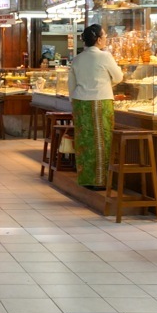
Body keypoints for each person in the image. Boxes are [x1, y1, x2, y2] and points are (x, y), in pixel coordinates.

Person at [67, 23, 124, 191]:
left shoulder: (77, 58)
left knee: (84, 141)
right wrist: (108, 82)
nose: (106, 38)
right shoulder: (104, 57)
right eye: (105, 35)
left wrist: (74, 101)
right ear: (98, 39)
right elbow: (118, 77)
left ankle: (86, 179)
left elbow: (71, 84)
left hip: (80, 102)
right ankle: (101, 180)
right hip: (100, 100)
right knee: (102, 141)